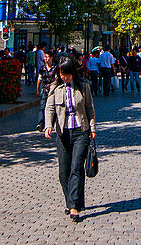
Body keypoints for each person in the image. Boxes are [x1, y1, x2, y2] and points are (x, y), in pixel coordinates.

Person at [44, 59, 97, 222]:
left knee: (76, 168)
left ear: (73, 72)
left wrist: (93, 128)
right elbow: (49, 107)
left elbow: (89, 108)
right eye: (62, 74)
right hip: (63, 132)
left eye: (67, 74)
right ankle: (71, 200)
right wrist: (48, 125)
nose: (64, 77)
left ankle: (74, 206)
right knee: (64, 171)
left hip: (81, 130)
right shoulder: (55, 88)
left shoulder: (84, 86)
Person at [36, 52, 58, 131]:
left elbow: (57, 79)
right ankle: (41, 123)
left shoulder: (55, 67)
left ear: (51, 57)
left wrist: (52, 85)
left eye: (47, 57)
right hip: (44, 90)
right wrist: (37, 89)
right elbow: (39, 78)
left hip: (53, 90)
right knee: (43, 107)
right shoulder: (42, 68)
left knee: (53, 107)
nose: (45, 59)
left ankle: (52, 123)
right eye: (45, 57)